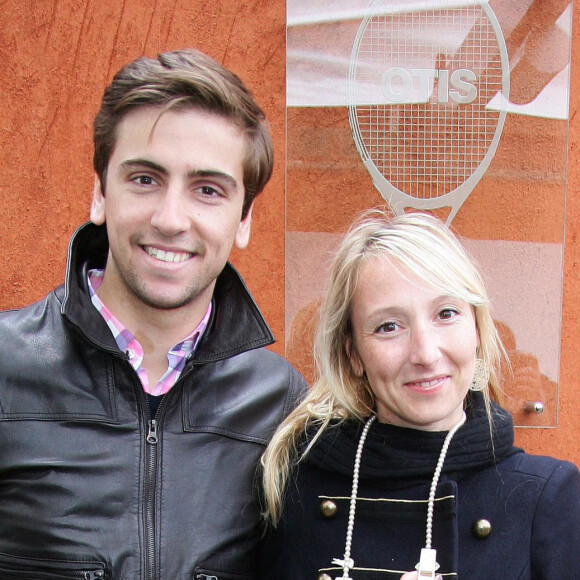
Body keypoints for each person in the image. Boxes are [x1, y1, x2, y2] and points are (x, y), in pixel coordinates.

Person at [0, 48, 306, 579]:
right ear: (99, 193)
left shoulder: (280, 406)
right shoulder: (6, 368)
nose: (170, 219)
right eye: (144, 179)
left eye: (207, 190)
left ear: (243, 220)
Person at [258, 211, 580, 580]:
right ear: (353, 354)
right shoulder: (296, 482)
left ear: (476, 328)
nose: (425, 354)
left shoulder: (545, 495)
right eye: (389, 326)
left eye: (446, 313)